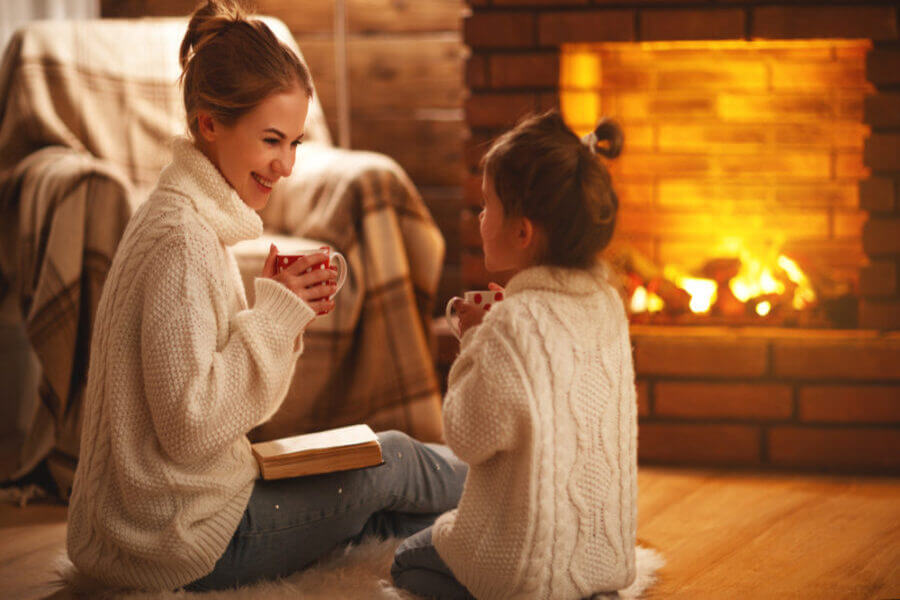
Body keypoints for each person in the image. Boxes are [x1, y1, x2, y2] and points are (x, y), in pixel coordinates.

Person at [65, 0, 466, 592]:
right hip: (176, 539)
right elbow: (191, 427)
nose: (286, 165)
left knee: (382, 495)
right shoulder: (182, 240)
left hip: (162, 521)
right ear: (209, 124)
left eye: (296, 142)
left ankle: (468, 534)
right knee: (396, 459)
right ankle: (526, 493)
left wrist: (285, 315)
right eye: (272, 140)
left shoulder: (185, 218)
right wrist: (275, 318)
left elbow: (223, 407)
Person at [391, 111, 637, 600]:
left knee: (405, 561)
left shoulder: (511, 322)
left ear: (523, 233)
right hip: (606, 560)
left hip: (522, 574)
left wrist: (472, 342)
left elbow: (466, 437)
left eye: (487, 205)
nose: (480, 217)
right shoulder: (609, 305)